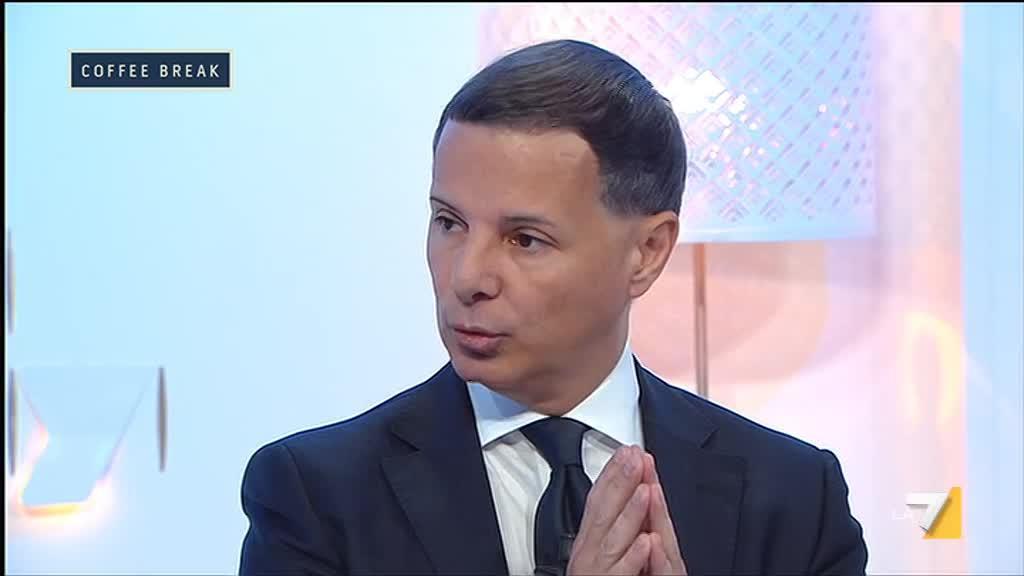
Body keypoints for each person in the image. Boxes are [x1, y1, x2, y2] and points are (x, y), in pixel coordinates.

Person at [238, 39, 868, 576]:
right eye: (449, 222)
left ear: (647, 252)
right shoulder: (315, 497)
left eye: (524, 239)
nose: (467, 277)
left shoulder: (792, 497)